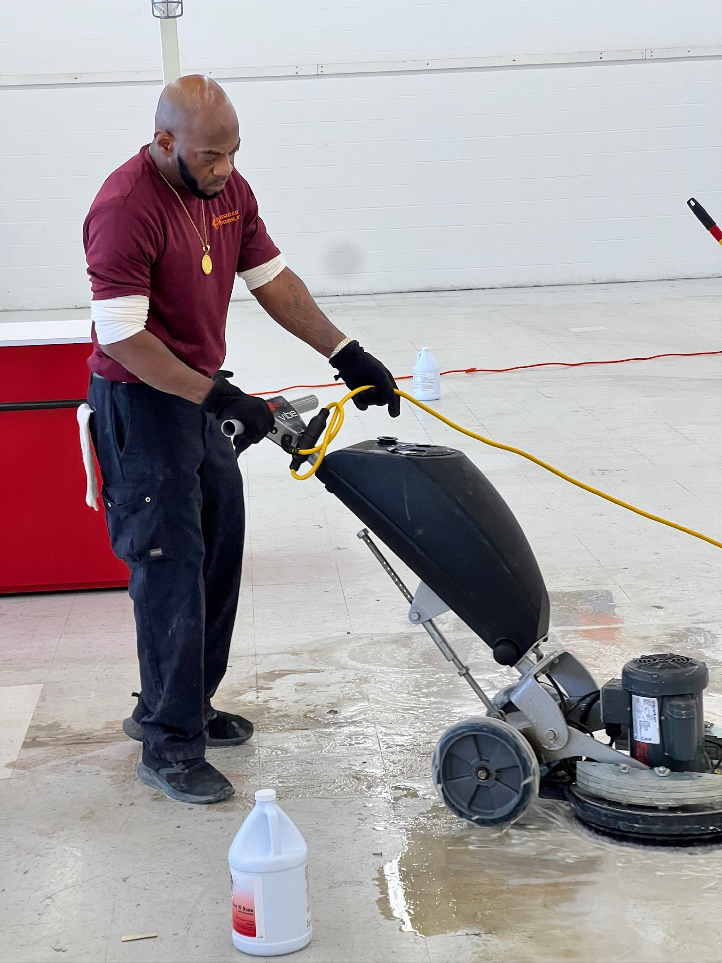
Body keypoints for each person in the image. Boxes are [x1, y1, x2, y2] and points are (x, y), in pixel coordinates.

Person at [84, 75, 399, 805]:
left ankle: (189, 701)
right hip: (141, 400)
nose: (224, 169)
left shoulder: (228, 191)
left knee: (221, 539)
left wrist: (344, 350)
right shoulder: (124, 207)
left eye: (232, 153)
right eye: (210, 155)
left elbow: (274, 281)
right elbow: (124, 338)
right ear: (165, 142)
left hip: (196, 392)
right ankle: (167, 742)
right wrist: (217, 395)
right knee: (169, 564)